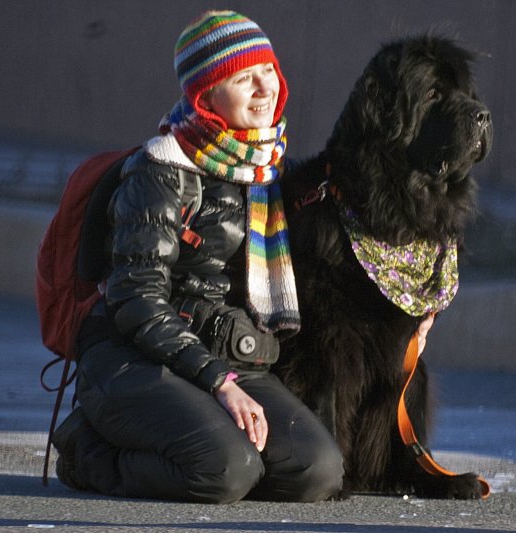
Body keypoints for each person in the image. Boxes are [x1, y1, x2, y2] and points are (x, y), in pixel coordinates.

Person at [50, 10, 345, 504]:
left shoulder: (270, 169)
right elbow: (136, 300)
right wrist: (219, 382)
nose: (264, 87)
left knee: (315, 471)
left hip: (231, 356)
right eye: (243, 78)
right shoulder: (161, 170)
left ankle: (212, 453)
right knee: (224, 470)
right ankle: (89, 453)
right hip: (137, 359)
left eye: (268, 70)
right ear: (206, 97)